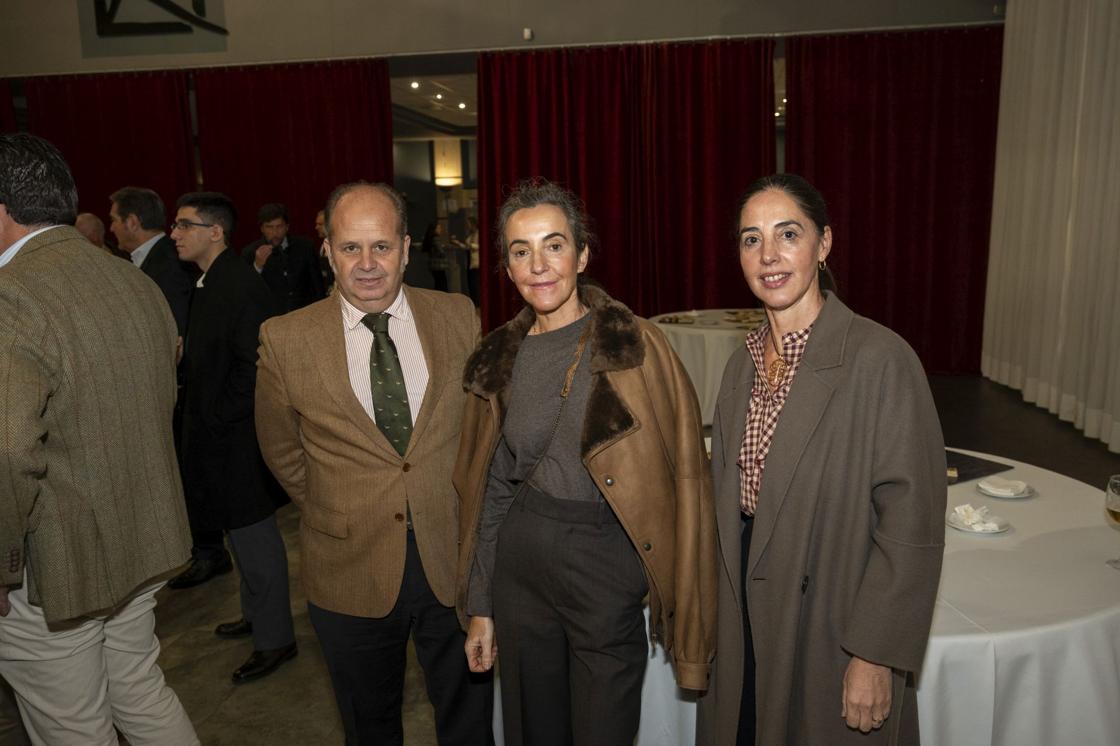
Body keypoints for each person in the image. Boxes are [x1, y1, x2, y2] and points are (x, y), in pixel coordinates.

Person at [456, 179, 716, 744]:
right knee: (534, 728)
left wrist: (658, 586)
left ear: (582, 255)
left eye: (554, 245)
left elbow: (688, 477)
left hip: (606, 560)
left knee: (605, 728)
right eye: (521, 251)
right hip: (521, 565)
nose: (539, 265)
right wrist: (482, 605)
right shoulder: (498, 356)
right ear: (506, 267)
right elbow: (491, 487)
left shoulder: (636, 346)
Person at [695, 174, 946, 745]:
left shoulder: (880, 360)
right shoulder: (741, 364)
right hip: (743, 609)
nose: (769, 255)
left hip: (829, 611)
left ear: (824, 243)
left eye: (788, 234)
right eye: (751, 239)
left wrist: (875, 654)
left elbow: (912, 525)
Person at [255, 182, 493, 744]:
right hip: (348, 566)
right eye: (350, 248)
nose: (367, 264)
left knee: (470, 721)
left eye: (381, 246)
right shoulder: (286, 338)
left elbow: (482, 432)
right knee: (369, 726)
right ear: (327, 251)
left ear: (406, 249)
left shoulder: (458, 316)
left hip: (451, 559)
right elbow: (281, 448)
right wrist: (336, 505)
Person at [0, 132, 198, 744]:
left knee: (74, 726)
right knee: (139, 690)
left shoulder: (11, 294)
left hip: (54, 565)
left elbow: (8, 447)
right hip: (141, 537)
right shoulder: (131, 279)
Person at [171, 192, 297, 684]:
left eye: (185, 225)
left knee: (256, 538)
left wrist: (216, 417)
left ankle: (276, 638)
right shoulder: (211, 280)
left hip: (239, 440)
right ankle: (257, 615)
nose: (175, 234)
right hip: (222, 436)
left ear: (215, 231)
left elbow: (255, 368)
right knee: (241, 538)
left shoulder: (238, 285)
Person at [109, 186, 197, 339]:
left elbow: (175, 332)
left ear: (132, 222)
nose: (111, 228)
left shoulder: (170, 266)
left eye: (113, 220)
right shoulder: (161, 257)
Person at [243, 202, 325, 313]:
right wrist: (257, 266)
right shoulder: (250, 252)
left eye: (279, 226)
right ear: (262, 228)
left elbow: (318, 287)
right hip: (270, 317)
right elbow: (245, 292)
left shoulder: (305, 247)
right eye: (269, 227)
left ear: (287, 227)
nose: (275, 232)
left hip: (304, 315)